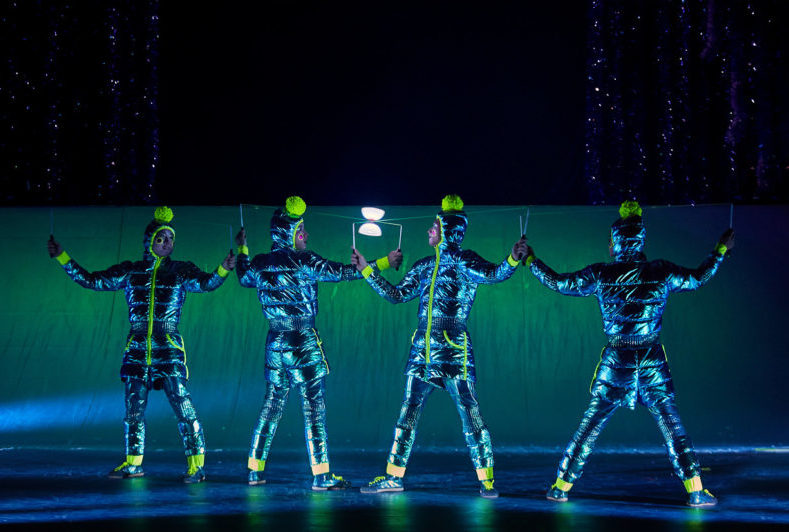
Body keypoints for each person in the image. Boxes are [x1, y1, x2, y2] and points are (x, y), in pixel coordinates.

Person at [526, 200, 734, 507]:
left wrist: (531, 261)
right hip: (651, 361)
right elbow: (698, 278)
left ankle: (560, 487)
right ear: (639, 241)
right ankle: (696, 490)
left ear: (615, 244)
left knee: (590, 426)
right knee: (672, 428)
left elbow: (560, 283)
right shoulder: (661, 271)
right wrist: (720, 250)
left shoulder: (602, 273)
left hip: (618, 360)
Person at [352, 195, 528, 498]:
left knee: (470, 413)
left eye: (433, 227)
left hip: (454, 349)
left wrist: (512, 258)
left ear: (448, 231)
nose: (428, 231)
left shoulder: (465, 261)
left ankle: (487, 480)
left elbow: (494, 274)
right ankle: (393, 477)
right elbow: (396, 295)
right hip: (422, 349)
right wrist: (367, 269)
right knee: (408, 413)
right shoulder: (424, 265)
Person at [48, 206, 235, 483]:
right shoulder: (131, 271)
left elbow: (206, 283)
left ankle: (196, 465)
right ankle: (133, 463)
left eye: (170, 239)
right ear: (149, 241)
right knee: (133, 410)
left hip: (167, 347)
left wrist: (224, 268)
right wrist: (62, 257)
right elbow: (91, 280)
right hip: (136, 349)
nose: (167, 243)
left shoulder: (181, 271)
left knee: (183, 405)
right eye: (161, 238)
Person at [236, 196, 402, 490]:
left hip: (274, 343)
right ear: (291, 234)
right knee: (313, 408)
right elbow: (343, 272)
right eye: (302, 230)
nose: (307, 235)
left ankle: (254, 469)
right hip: (303, 341)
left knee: (271, 406)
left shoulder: (260, 263)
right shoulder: (304, 260)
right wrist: (383, 263)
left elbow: (243, 276)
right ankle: (321, 475)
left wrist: (242, 249)